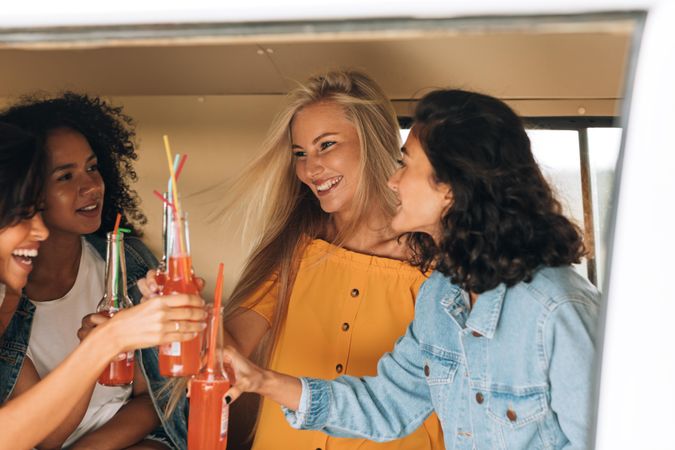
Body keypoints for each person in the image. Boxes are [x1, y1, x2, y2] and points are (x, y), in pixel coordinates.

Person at [218, 89, 601, 450]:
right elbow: (386, 405)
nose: (392, 179)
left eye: (405, 165)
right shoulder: (442, 297)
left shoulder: (558, 309)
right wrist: (262, 380)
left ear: (451, 187)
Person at [141, 69, 445, 450]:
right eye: (300, 154)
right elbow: (228, 352)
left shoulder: (437, 267)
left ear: (372, 141)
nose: (310, 168)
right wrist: (184, 311)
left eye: (326, 145)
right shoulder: (294, 249)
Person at [0, 122, 206, 450]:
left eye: (93, 168)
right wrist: (107, 341)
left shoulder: (130, 263)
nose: (92, 186)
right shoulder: (10, 301)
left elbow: (159, 393)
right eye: (64, 176)